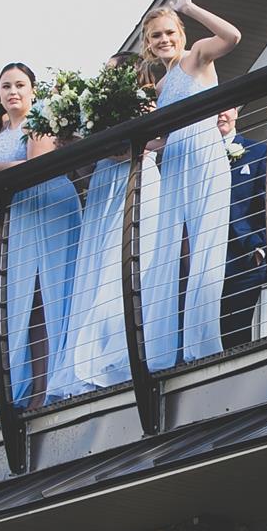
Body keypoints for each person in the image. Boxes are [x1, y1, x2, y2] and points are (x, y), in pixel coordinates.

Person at [0, 63, 81, 413]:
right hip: (19, 213)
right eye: (6, 87)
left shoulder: (40, 120)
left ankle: (47, 386)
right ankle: (26, 386)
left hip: (49, 203)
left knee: (48, 292)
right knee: (21, 300)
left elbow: (35, 165)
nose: (13, 92)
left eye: (19, 85)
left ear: (32, 90)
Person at [141, 0, 242, 370]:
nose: (164, 40)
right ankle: (163, 351)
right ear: (149, 44)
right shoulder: (160, 86)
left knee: (205, 248)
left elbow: (232, 37)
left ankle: (203, 345)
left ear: (180, 34)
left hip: (203, 154)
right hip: (173, 163)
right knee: (169, 250)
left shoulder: (197, 56)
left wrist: (190, 7)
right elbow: (160, 139)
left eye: (169, 32)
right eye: (156, 36)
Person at [54, 55, 162, 394]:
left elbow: (141, 146)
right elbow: (89, 170)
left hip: (136, 180)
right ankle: (88, 357)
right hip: (104, 186)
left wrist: (101, 144)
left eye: (112, 70)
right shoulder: (96, 107)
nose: (106, 74)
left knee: (123, 264)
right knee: (96, 266)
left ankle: (117, 356)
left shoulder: (146, 102)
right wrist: (74, 147)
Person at [219, 107, 267, 347]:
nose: (220, 114)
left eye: (226, 109)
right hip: (204, 262)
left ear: (237, 112)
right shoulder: (196, 159)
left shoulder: (257, 151)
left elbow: (266, 203)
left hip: (244, 259)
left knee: (236, 336)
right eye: (214, 110)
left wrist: (259, 248)